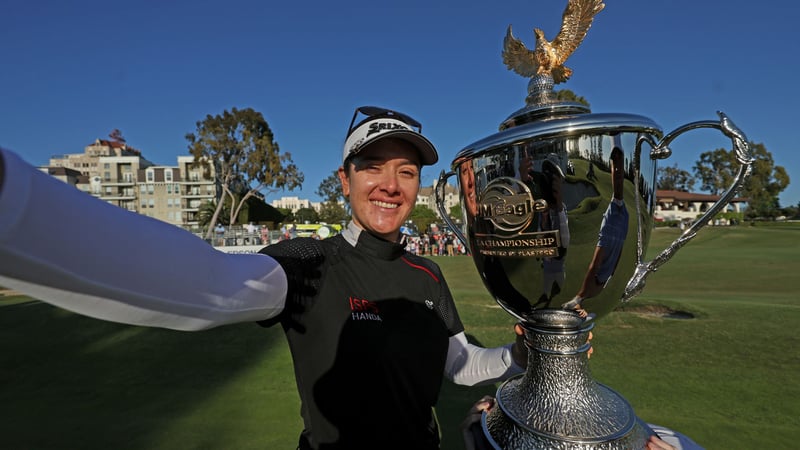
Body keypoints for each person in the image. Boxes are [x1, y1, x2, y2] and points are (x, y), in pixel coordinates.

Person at [0, 106, 529, 450]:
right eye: (373, 166)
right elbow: (211, 284)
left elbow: (459, 363)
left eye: (407, 171)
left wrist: (522, 354)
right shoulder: (311, 262)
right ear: (344, 182)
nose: (391, 184)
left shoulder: (427, 274)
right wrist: (14, 206)